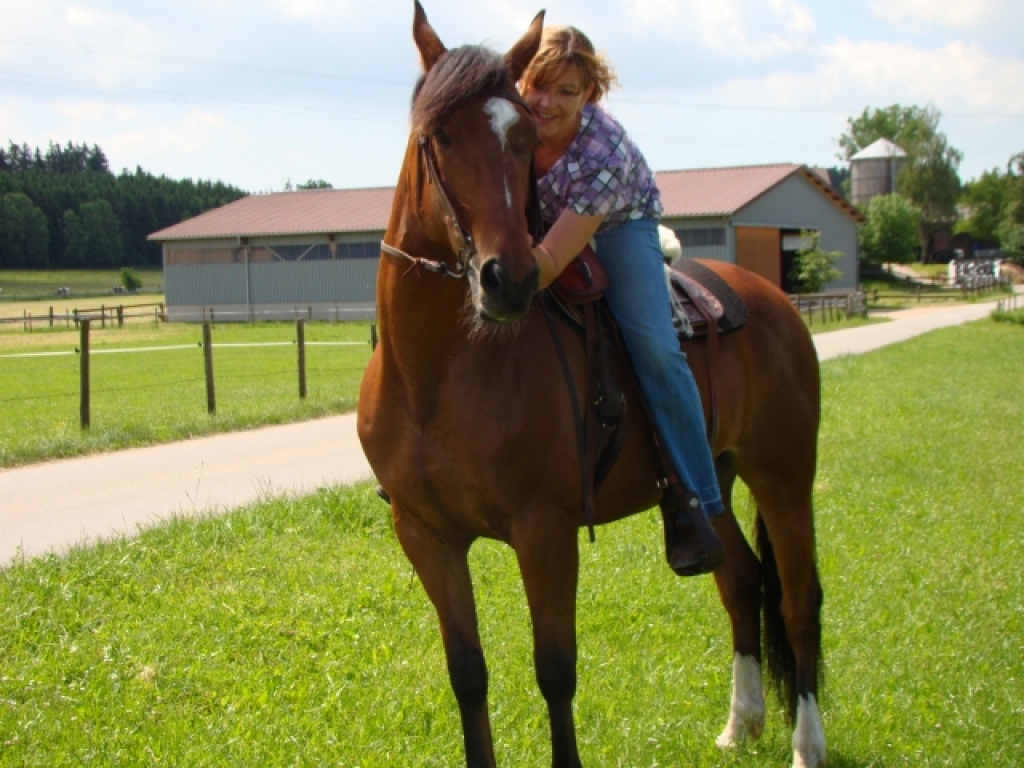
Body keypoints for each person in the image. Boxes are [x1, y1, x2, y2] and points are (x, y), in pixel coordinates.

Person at [520, 25, 724, 576]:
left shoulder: (603, 149)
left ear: (590, 93)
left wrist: (508, 276)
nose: (549, 103)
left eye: (568, 91)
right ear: (523, 81)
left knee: (654, 345)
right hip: (532, 223)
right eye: (540, 86)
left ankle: (694, 500)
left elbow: (549, 263)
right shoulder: (505, 121)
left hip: (616, 226)